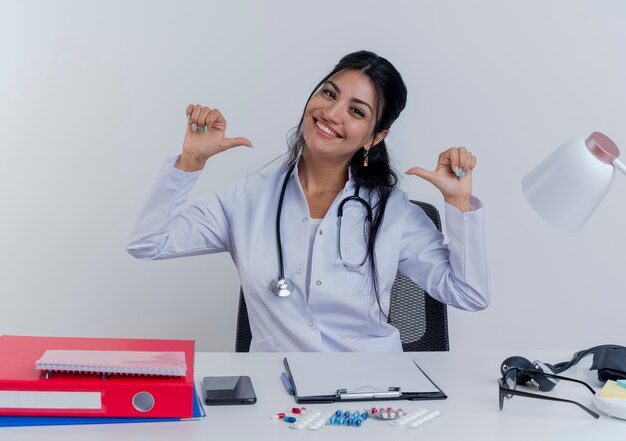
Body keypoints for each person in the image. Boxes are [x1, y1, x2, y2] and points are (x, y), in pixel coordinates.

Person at [127, 50, 489, 352]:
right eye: (330, 94)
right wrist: (191, 162)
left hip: (371, 392)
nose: (332, 114)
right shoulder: (249, 197)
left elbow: (468, 294)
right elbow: (148, 243)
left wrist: (458, 204)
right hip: (276, 396)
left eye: (357, 111)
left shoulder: (391, 211)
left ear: (374, 138)